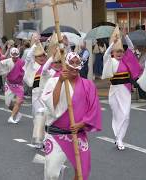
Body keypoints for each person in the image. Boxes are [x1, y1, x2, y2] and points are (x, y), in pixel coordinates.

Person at [41, 52, 102, 180]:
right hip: (56, 135)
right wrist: (60, 82)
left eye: (77, 63)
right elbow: (52, 105)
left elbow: (94, 108)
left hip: (77, 134)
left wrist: (82, 123)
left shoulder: (88, 85)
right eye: (71, 63)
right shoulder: (53, 81)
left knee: (82, 174)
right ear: (65, 64)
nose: (74, 66)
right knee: (51, 175)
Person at [102, 26, 141, 150]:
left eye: (121, 51)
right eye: (117, 51)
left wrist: (126, 36)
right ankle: (117, 136)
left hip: (125, 90)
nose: (119, 53)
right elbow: (106, 54)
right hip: (114, 90)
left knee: (126, 115)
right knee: (117, 114)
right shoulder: (110, 61)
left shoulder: (126, 60)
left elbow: (131, 48)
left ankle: (119, 139)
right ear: (113, 52)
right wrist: (112, 44)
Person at [24, 34, 48, 148]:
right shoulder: (32, 65)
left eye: (43, 55)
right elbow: (28, 57)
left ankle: (44, 139)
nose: (42, 58)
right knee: (37, 115)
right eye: (39, 56)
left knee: (45, 117)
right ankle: (38, 140)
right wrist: (35, 45)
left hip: (48, 94)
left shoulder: (48, 66)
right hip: (36, 93)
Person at [0, 48, 25, 124]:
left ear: (18, 55)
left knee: (18, 102)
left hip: (19, 85)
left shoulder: (22, 62)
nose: (15, 57)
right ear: (11, 55)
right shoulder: (7, 61)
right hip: (9, 84)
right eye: (13, 55)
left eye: (16, 55)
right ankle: (17, 113)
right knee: (8, 104)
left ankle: (11, 117)